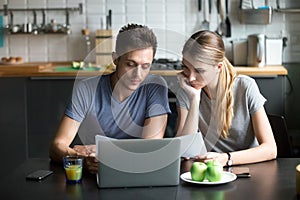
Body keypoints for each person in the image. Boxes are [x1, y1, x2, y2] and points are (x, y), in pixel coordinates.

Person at [49, 24, 171, 174]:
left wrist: (101, 149)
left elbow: (149, 149)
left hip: (136, 175)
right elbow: (57, 146)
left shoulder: (156, 88)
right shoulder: (86, 89)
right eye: (130, 64)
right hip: (94, 176)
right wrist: (80, 158)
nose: (138, 74)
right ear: (115, 59)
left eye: (145, 66)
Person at [176, 30, 277, 167]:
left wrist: (226, 158)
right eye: (186, 67)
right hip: (207, 171)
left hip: (247, 169)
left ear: (218, 67)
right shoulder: (187, 90)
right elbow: (184, 151)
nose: (190, 77)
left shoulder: (245, 87)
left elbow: (270, 149)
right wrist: (194, 99)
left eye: (199, 71)